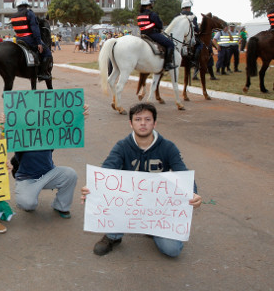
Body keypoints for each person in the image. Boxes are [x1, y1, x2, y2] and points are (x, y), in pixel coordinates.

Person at [80, 103, 202, 257]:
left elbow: (182, 172)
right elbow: (106, 169)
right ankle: (113, 236)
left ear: (154, 123)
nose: (143, 123)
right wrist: (91, 187)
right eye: (138, 119)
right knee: (112, 193)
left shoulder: (168, 147)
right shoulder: (122, 146)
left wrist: (193, 193)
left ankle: (151, 228)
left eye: (147, 119)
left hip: (157, 206)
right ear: (131, 123)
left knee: (172, 250)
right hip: (129, 201)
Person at [1, 111, 82, 219]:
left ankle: (61, 206)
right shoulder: (21, 134)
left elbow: (68, 127)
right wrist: (3, 127)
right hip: (27, 178)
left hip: (48, 174)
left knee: (70, 174)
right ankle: (24, 192)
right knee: (27, 204)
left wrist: (80, 115)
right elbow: (2, 145)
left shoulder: (49, 132)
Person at [10, 0, 52, 81]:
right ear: (26, 4)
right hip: (29, 39)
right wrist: (39, 42)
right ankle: (42, 73)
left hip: (19, 39)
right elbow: (35, 28)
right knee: (47, 52)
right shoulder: (29, 13)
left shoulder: (13, 16)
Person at [137, 0, 177, 70]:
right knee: (170, 44)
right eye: (152, 3)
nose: (153, 4)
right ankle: (167, 64)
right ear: (149, 4)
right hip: (152, 34)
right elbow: (160, 25)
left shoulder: (139, 15)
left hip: (143, 34)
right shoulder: (152, 14)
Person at [178, 0, 201, 67]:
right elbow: (196, 29)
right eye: (190, 8)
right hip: (189, 37)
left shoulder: (177, 15)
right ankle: (194, 61)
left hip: (179, 37)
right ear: (188, 8)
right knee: (200, 45)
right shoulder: (193, 16)